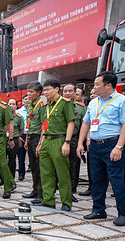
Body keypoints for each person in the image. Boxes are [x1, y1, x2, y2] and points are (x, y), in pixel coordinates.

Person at [77, 71, 125, 226]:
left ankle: (124, 214)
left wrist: (119, 147)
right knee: (97, 179)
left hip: (112, 144)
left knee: (116, 180)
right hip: (95, 145)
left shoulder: (122, 101)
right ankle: (98, 209)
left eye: (97, 84)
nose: (93, 88)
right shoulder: (94, 102)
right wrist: (81, 143)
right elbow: (86, 123)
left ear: (108, 85)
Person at [35, 79, 75, 211]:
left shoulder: (65, 103)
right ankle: (48, 200)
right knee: (46, 172)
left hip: (59, 140)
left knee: (62, 173)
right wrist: (40, 143)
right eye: (44, 90)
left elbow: (70, 123)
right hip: (46, 140)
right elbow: (44, 126)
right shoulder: (46, 106)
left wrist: (67, 142)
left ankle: (66, 202)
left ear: (57, 89)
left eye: (47, 89)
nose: (45, 92)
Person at [62, 83, 86, 202]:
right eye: (65, 91)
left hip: (74, 139)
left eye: (70, 91)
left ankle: (71, 190)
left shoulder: (81, 108)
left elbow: (84, 126)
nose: (68, 93)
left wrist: (83, 142)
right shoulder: (57, 105)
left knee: (73, 165)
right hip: (60, 138)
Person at [23, 81, 45, 203]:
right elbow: (29, 124)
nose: (29, 94)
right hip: (31, 137)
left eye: (31, 92)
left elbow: (43, 125)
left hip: (38, 137)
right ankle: (35, 189)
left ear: (38, 92)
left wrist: (40, 143)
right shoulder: (31, 105)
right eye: (28, 91)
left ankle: (41, 193)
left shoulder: (42, 106)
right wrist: (27, 139)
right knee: (33, 166)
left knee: (40, 166)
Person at [78, 88, 97, 197]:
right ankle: (91, 187)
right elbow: (87, 124)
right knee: (91, 166)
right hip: (91, 139)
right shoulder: (92, 106)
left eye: (95, 93)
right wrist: (87, 140)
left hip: (108, 140)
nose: (93, 95)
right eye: (91, 93)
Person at [7, 98, 24, 180]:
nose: (11, 106)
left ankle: (11, 178)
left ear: (16, 106)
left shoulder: (19, 117)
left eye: (13, 104)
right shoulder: (4, 116)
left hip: (14, 139)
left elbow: (21, 130)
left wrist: (16, 136)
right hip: (4, 139)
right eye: (10, 104)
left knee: (12, 160)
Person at [16, 95, 30, 181]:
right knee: (21, 156)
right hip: (22, 135)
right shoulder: (19, 112)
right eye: (25, 99)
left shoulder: (35, 110)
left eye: (29, 98)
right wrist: (18, 136)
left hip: (33, 135)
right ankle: (21, 173)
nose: (27, 100)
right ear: (22, 101)